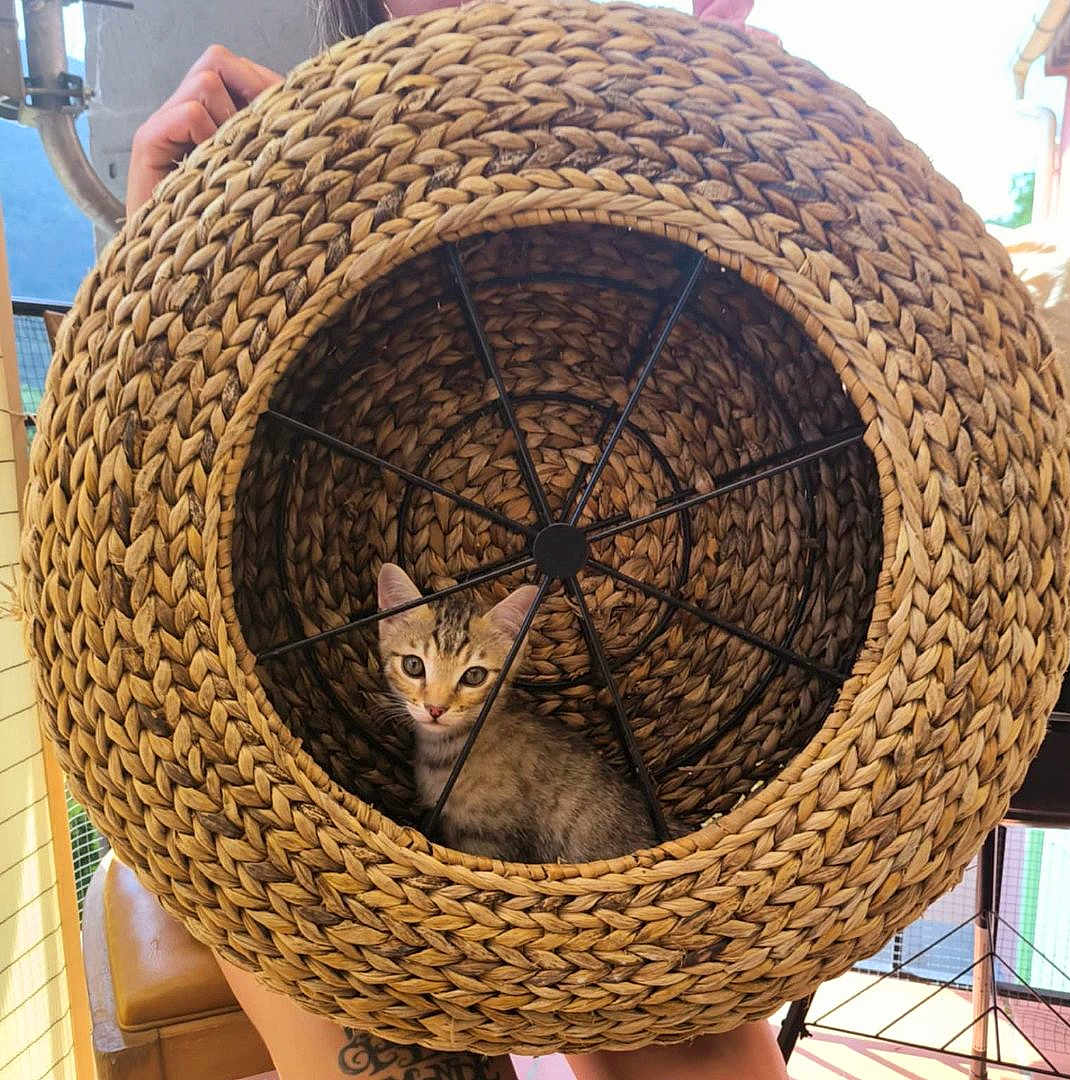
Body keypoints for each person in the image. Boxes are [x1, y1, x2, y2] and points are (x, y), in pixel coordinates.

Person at [124, 1, 791, 1077]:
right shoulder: (307, 189)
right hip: (317, 792)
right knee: (258, 876)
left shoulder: (658, 133)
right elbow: (141, 545)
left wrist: (773, 157)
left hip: (617, 827)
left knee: (686, 1025)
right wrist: (162, 270)